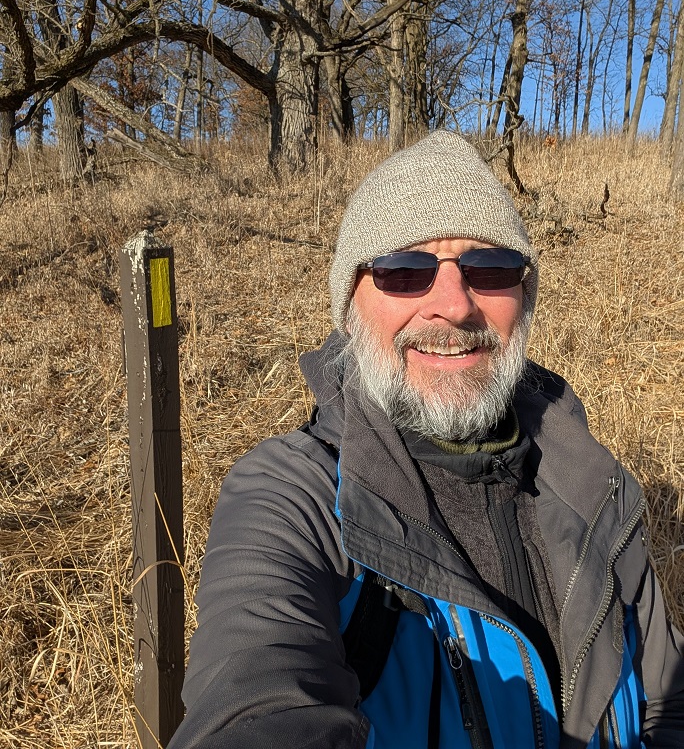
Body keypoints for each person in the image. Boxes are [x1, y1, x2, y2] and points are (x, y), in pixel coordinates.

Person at [169, 131, 684, 749]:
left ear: (523, 298)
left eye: (489, 269)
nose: (454, 305)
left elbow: (666, 704)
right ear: (350, 303)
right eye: (403, 271)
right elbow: (254, 702)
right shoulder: (293, 503)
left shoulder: (597, 489)